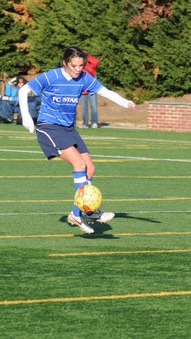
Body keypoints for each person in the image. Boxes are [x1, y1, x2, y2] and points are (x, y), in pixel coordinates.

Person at [18, 45, 135, 234]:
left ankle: (78, 213)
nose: (78, 69)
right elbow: (24, 91)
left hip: (69, 128)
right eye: (74, 66)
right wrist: (26, 117)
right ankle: (89, 212)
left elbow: (105, 91)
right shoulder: (52, 76)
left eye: (81, 65)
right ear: (64, 63)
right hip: (49, 127)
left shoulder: (84, 78)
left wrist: (124, 102)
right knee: (79, 164)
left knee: (90, 168)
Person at [80, 52, 99, 128]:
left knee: (93, 106)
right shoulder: (79, 65)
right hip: (82, 90)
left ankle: (94, 122)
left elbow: (96, 62)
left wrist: (89, 56)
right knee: (84, 108)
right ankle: (85, 123)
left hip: (91, 89)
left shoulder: (90, 64)